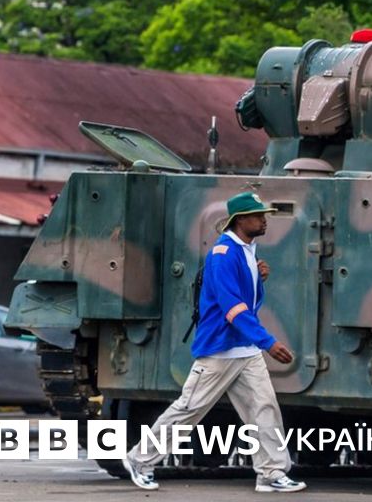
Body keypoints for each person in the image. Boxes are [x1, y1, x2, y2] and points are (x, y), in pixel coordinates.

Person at [122, 192, 306, 494]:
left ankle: (271, 472)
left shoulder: (245, 251)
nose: (264, 220)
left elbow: (246, 301)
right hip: (221, 349)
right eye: (258, 215)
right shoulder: (223, 254)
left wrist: (258, 278)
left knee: (264, 409)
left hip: (244, 349)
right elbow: (232, 307)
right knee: (189, 409)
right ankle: (139, 460)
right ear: (240, 220)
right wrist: (268, 342)